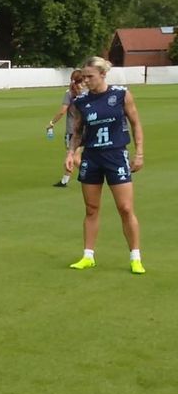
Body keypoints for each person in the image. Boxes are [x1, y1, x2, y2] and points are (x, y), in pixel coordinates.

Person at [65, 56, 145, 274]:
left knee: (126, 208)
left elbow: (136, 123)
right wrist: (71, 153)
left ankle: (135, 257)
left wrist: (139, 153)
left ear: (103, 74)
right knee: (91, 208)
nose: (86, 81)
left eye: (90, 76)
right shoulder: (81, 101)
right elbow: (78, 131)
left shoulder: (121, 95)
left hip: (116, 155)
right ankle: (88, 256)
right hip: (92, 158)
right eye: (84, 77)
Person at [47, 70, 86, 187]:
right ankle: (64, 180)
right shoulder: (87, 93)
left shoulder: (70, 93)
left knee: (73, 157)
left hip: (72, 130)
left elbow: (62, 111)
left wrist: (52, 123)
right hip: (86, 129)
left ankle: (90, 174)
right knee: (75, 156)